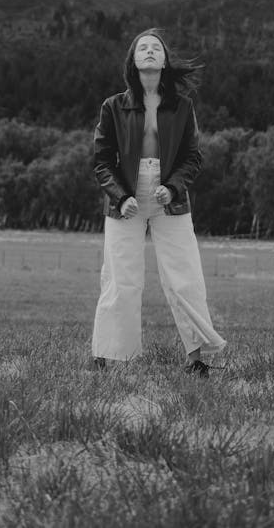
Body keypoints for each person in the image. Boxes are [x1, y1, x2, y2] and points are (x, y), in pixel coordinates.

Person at [91, 29, 225, 377]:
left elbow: (193, 157)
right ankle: (110, 357)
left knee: (185, 277)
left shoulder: (182, 107)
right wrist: (121, 198)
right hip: (126, 196)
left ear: (164, 61)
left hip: (170, 197)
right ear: (133, 61)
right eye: (142, 48)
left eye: (156, 48)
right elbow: (102, 161)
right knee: (121, 276)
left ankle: (197, 359)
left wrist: (173, 188)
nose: (149, 52)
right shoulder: (113, 106)